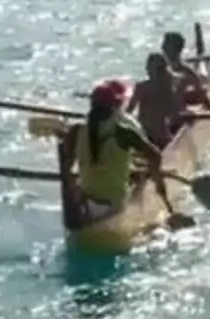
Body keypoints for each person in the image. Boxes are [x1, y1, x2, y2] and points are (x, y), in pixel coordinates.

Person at [64, 78, 162, 218]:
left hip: (84, 200)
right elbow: (156, 156)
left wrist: (74, 192)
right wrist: (158, 182)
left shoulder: (75, 130)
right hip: (114, 203)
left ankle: (84, 209)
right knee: (139, 175)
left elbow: (67, 168)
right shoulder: (123, 132)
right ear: (115, 106)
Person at [132, 51, 187, 145]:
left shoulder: (142, 87)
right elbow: (178, 110)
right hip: (164, 136)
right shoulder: (173, 83)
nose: (146, 69)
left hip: (145, 135)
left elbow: (128, 111)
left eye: (148, 66)